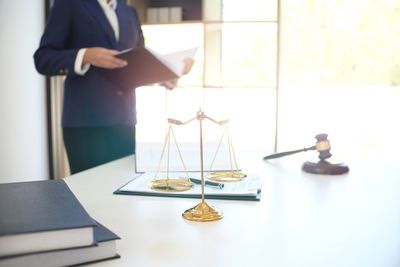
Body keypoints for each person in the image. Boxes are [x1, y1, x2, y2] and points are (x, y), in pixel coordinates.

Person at [34, 0, 192, 174]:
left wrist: (165, 76)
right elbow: (43, 59)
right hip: (85, 124)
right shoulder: (70, 5)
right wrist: (85, 55)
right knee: (88, 194)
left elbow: (140, 62)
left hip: (125, 121)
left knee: (122, 191)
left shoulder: (130, 12)